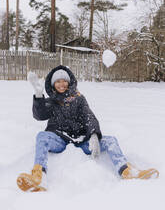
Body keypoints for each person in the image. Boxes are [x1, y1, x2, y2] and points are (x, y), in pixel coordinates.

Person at [17, 65, 159, 192]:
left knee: (111, 141)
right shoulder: (51, 101)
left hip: (81, 141)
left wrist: (94, 135)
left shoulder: (79, 98)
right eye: (58, 81)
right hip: (60, 139)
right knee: (42, 136)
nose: (61, 84)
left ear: (69, 82)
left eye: (64, 81)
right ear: (53, 84)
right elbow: (39, 115)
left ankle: (127, 171)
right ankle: (39, 176)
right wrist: (39, 96)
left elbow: (89, 116)